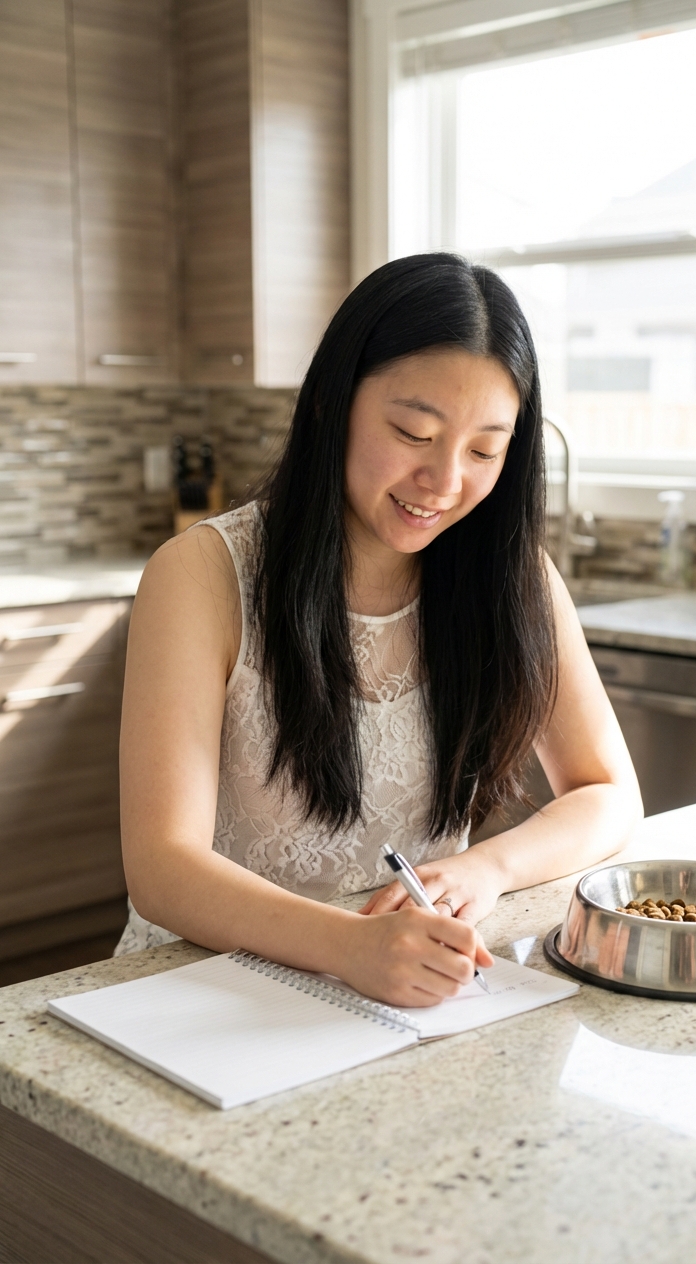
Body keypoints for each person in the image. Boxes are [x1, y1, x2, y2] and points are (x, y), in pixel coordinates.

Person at [118, 253, 642, 1007]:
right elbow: (162, 865)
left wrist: (485, 870)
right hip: (199, 988)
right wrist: (346, 946)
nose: (445, 482)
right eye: (413, 432)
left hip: (401, 991)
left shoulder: (513, 579)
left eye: (484, 450)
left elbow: (609, 794)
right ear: (333, 402)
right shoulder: (201, 575)